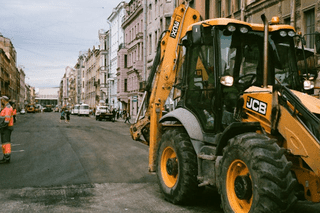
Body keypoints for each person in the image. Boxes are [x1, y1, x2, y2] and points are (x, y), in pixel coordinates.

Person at [0, 96, 14, 164]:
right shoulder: (7, 108)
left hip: (6, 128)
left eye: (1, 100)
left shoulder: (7, 108)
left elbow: (6, 120)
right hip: (6, 127)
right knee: (5, 143)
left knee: (6, 143)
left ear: (3, 100)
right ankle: (5, 157)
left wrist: (2, 126)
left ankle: (6, 158)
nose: (1, 102)